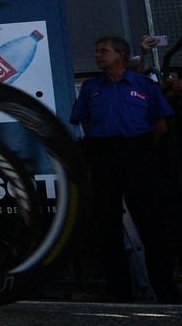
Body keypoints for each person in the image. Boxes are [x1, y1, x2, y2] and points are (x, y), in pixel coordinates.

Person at [70, 35, 180, 303]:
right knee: (107, 224)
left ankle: (165, 290)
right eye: (96, 51)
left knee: (151, 224)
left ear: (120, 54)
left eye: (103, 51)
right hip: (103, 155)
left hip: (138, 155)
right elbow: (81, 120)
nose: (97, 55)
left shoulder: (144, 85)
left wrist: (141, 151)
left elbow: (160, 126)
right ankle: (119, 290)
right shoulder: (91, 87)